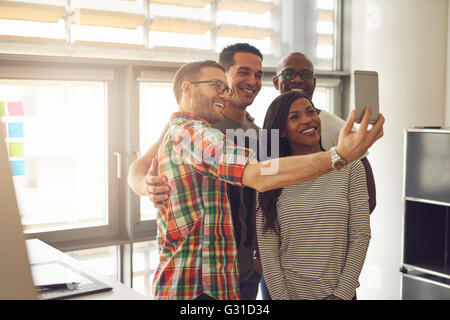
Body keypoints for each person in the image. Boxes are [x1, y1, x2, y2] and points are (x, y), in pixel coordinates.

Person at [129, 43, 266, 299]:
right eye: (243, 72)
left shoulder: (258, 132)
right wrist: (146, 185)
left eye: (258, 74)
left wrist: (261, 254)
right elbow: (139, 168)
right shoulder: (197, 124)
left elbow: (264, 195)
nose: (252, 81)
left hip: (244, 271)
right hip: (201, 275)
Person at [256, 91, 371, 300]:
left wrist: (341, 295)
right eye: (295, 117)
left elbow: (360, 235)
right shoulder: (270, 173)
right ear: (281, 131)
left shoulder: (351, 168)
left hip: (340, 294)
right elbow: (268, 249)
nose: (308, 120)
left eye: (311, 112)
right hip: (285, 293)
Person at [273, 52, 376, 213]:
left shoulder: (338, 128)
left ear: (314, 82)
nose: (298, 79)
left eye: (305, 74)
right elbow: (264, 189)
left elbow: (368, 198)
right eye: (289, 73)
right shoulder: (269, 129)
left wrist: (335, 229)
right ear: (275, 81)